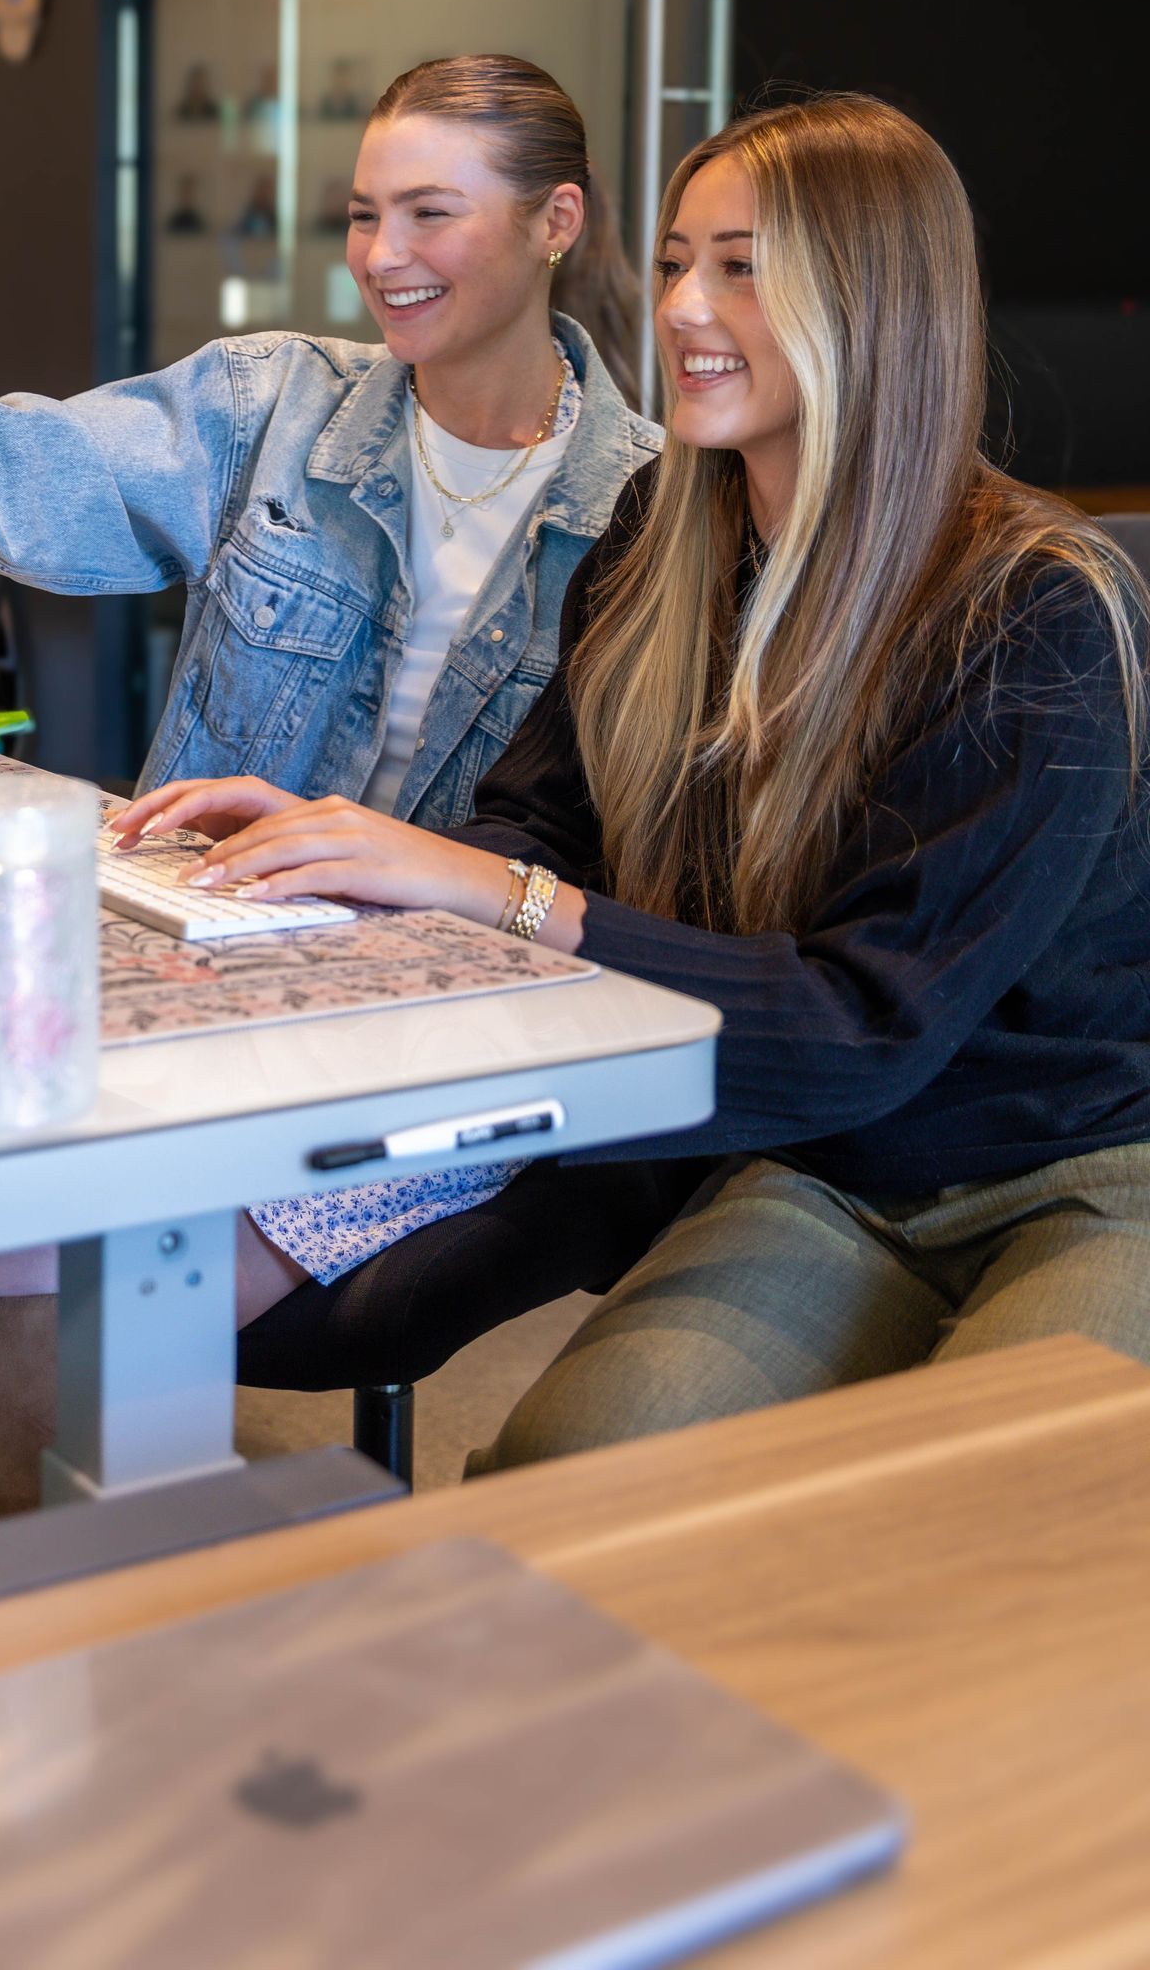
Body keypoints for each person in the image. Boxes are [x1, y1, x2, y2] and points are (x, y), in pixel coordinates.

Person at [125, 92, 1150, 1463]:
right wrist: (336, 875)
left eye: (741, 266)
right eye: (675, 260)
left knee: (1010, 1519)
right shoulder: (661, 533)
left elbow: (863, 1028)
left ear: (874, 304)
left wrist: (496, 892)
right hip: (820, 1175)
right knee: (567, 1488)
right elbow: (539, 821)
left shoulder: (1037, 610)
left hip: (1075, 1170)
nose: (680, 306)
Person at [0, 54, 656, 1533]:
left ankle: (50, 1683)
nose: (382, 258)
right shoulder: (281, 406)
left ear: (557, 222)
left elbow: (593, 862)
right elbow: (40, 461)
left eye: (432, 213)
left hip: (435, 1038)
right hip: (192, 975)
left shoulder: (649, 509)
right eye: (365, 214)